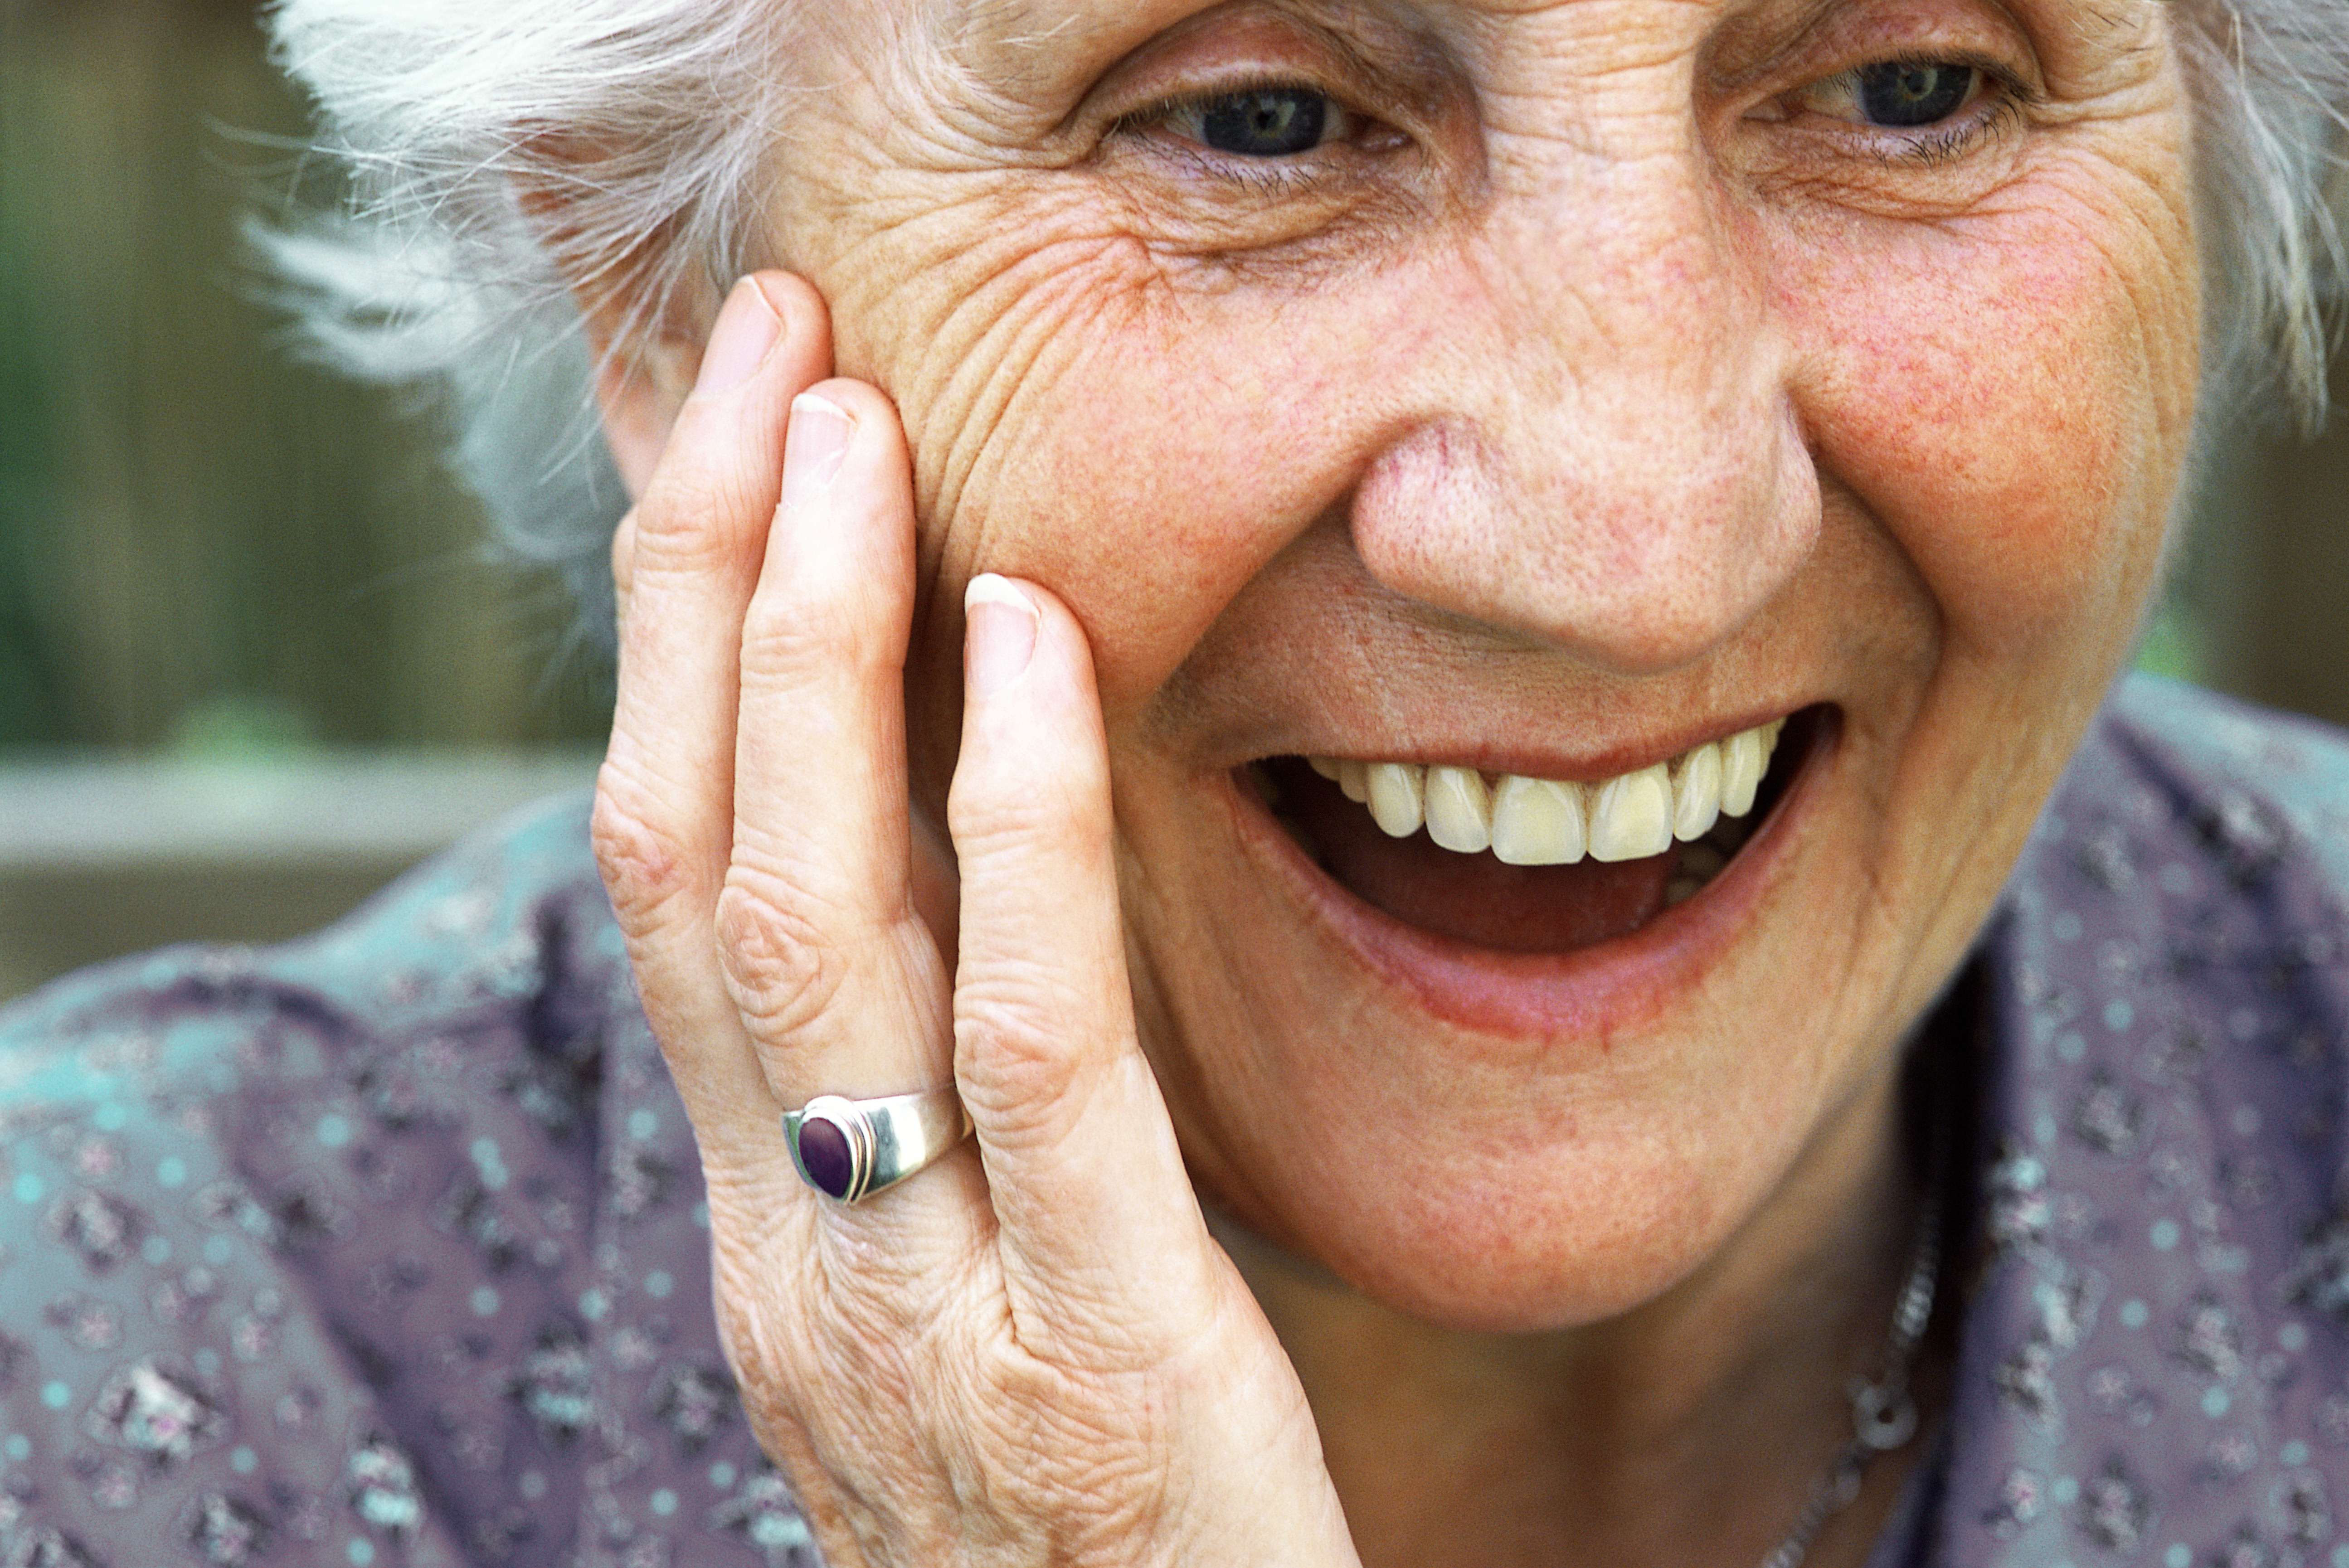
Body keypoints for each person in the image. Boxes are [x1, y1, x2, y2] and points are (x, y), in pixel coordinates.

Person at [3, 0, 2348, 1563]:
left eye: (1913, 88)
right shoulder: (126, 1392)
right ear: (651, 288)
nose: (1640, 549)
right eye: (1259, 120)